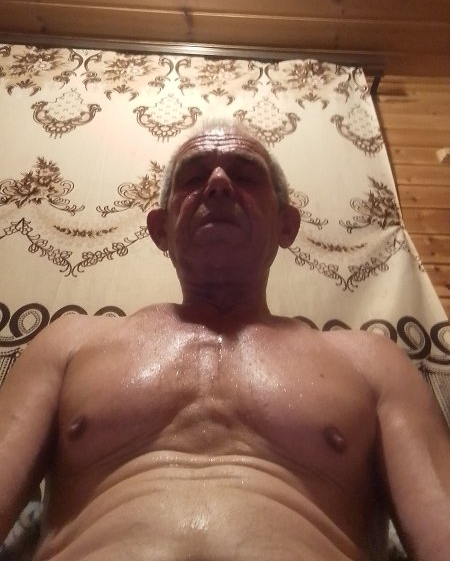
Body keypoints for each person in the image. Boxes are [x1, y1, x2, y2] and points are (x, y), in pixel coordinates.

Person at [0, 120, 449, 561]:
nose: (217, 183)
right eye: (193, 177)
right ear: (161, 228)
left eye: (246, 175)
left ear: (287, 225)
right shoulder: (69, 344)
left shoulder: (371, 362)